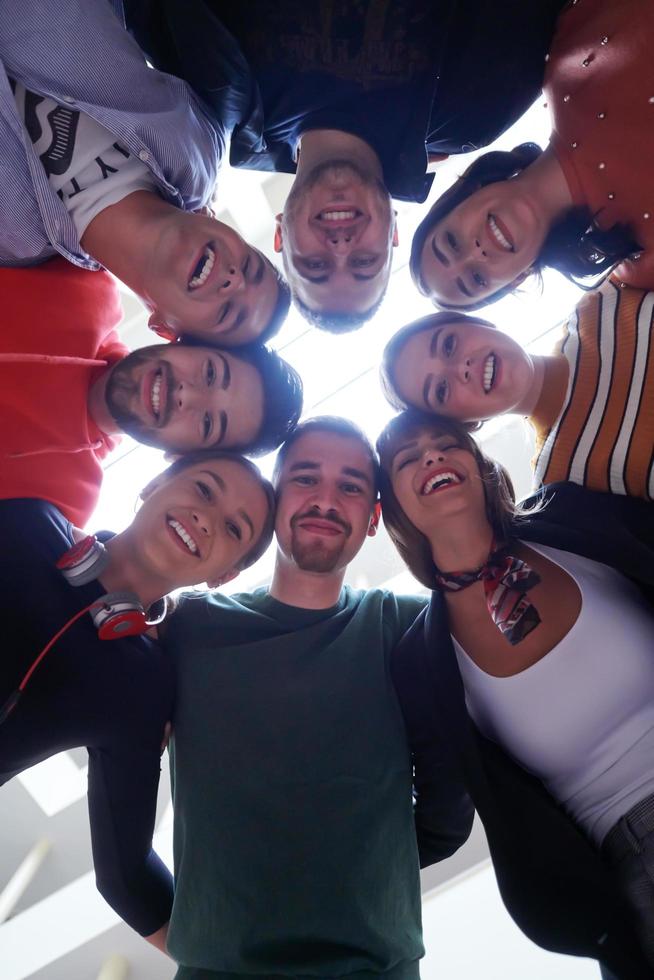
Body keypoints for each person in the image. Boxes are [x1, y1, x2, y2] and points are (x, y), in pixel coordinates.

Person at [161, 416, 473, 978]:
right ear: (274, 498)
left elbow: (448, 813)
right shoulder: (188, 626)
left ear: (373, 517)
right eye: (305, 479)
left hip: (376, 968)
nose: (326, 500)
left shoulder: (407, 627)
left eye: (351, 486)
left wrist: (375, 864)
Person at [376, 408, 654, 979]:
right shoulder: (421, 663)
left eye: (446, 443)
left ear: (478, 465)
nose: (431, 456)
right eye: (408, 458)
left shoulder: (577, 517)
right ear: (393, 507)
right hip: (638, 856)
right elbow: (441, 817)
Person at [125, 0, 569, 331]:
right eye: (364, 262)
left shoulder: (209, 102)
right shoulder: (472, 110)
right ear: (395, 231)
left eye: (315, 265)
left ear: (280, 233)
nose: (340, 246)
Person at [0, 450, 275, 952]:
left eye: (234, 529)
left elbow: (126, 876)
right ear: (152, 484)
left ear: (225, 577)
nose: (206, 518)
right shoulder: (26, 520)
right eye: (204, 490)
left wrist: (238, 964)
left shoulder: (144, 690)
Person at [0, 0, 290, 347]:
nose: (233, 281)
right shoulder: (196, 147)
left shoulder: (15, 242)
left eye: (227, 313)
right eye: (251, 266)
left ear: (165, 328)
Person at [0, 260, 303, 527]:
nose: (188, 395)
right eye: (210, 373)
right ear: (185, 340)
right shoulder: (85, 281)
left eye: (208, 424)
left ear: (180, 457)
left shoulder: (66, 504)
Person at [411, 0, 653, 309]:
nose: (476, 253)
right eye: (477, 279)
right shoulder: (642, 262)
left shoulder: (568, 58)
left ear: (465, 193)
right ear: (519, 279)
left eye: (451, 242)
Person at [380, 280, 654, 499]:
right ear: (464, 424)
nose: (460, 369)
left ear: (477, 321)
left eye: (449, 344)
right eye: (441, 390)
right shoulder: (562, 483)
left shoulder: (604, 298)